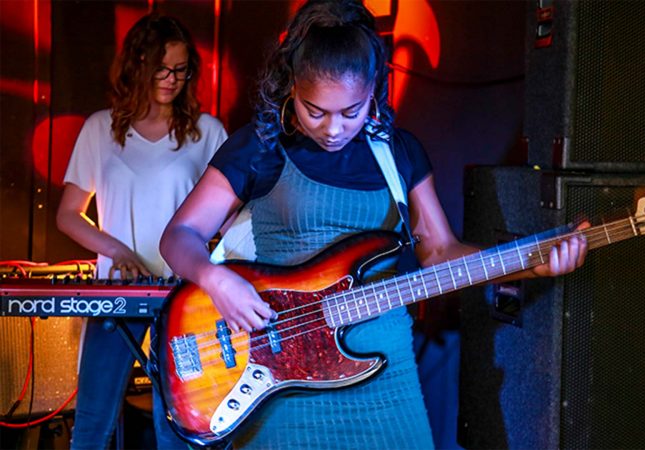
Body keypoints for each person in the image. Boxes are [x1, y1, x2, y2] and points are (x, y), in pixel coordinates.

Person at [159, 0, 587, 448]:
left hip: (385, 371)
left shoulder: (399, 153)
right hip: (283, 370)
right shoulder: (261, 147)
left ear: (373, 91)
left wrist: (532, 265)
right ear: (291, 87)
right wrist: (216, 279)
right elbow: (179, 236)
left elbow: (440, 253)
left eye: (351, 111)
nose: (333, 129)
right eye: (314, 111)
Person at [56, 13, 228, 450]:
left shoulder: (208, 133)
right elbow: (69, 214)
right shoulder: (100, 128)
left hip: (185, 298)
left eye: (181, 69)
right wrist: (116, 249)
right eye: (161, 68)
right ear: (137, 66)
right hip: (117, 290)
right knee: (92, 425)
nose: (171, 79)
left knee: (178, 428)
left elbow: (231, 220)